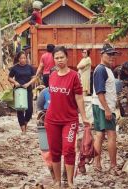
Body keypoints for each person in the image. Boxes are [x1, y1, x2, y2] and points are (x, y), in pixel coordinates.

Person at [45, 46, 89, 188]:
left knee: (69, 148)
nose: (59, 60)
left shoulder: (74, 76)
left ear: (67, 58)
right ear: (54, 60)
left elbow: (79, 98)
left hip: (69, 120)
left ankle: (70, 182)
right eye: (56, 58)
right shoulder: (52, 76)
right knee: (55, 150)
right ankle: (57, 181)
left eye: (61, 57)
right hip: (52, 120)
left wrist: (84, 117)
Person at [92, 43, 120, 175]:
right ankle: (113, 166)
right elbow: (100, 92)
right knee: (111, 135)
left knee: (99, 135)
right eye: (109, 54)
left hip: (101, 106)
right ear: (101, 54)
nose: (112, 57)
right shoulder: (101, 70)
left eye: (113, 54)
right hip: (103, 106)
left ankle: (97, 164)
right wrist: (108, 109)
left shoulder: (105, 69)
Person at [8, 51, 37, 133]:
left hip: (28, 89)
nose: (23, 60)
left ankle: (25, 122)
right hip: (18, 90)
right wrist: (15, 82)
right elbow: (9, 78)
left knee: (30, 110)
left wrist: (28, 84)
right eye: (21, 58)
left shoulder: (30, 67)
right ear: (18, 59)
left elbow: (34, 77)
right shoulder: (15, 68)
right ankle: (23, 129)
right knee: (20, 109)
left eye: (24, 58)